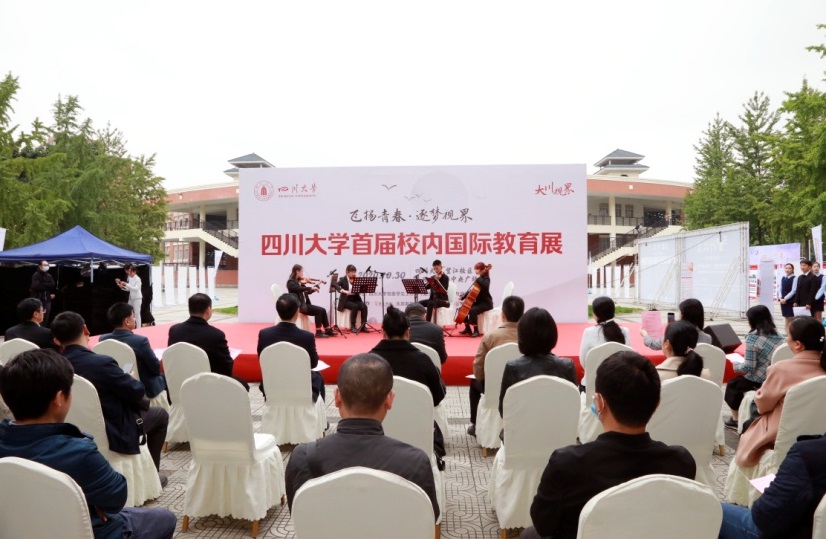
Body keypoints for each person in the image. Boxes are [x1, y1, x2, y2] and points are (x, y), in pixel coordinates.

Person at [0, 349, 176, 539]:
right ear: (59, 399)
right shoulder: (77, 452)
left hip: (18, 529)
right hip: (88, 531)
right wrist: (92, 503)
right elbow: (116, 497)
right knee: (164, 518)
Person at [521, 351, 696, 539]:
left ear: (599, 403)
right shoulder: (681, 462)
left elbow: (543, 524)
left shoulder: (567, 463)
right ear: (656, 404)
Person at [285, 354, 439, 520]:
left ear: (337, 398)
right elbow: (428, 518)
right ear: (389, 400)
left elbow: (298, 515)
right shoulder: (415, 462)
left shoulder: (303, 458)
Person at [51, 312, 169, 477]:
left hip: (67, 429)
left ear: (56, 340)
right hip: (112, 430)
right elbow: (136, 392)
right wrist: (129, 378)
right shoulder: (101, 363)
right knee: (161, 415)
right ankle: (153, 475)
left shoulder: (53, 367)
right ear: (85, 329)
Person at [729, 316, 826, 469]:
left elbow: (763, 406)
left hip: (782, 435)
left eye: (788, 336)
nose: (786, 340)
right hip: (820, 433)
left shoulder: (782, 369)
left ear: (798, 345)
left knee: (752, 417)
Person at [369, 306, 446, 462]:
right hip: (419, 431)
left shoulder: (368, 362)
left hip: (376, 433)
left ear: (383, 332)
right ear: (408, 332)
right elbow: (437, 398)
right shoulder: (423, 361)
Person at [718, 433, 826, 539]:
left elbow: (764, 518)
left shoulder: (807, 453)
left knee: (711, 509)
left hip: (788, 532)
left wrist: (770, 493)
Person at [499, 307, 577, 416]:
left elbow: (504, 410)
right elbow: (574, 406)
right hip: (559, 425)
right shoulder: (566, 366)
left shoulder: (513, 367)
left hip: (523, 426)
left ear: (522, 336)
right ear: (553, 334)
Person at [167, 293, 250, 391]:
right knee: (243, 385)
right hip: (209, 386)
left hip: (180, 383)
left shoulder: (175, 330)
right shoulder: (216, 335)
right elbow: (226, 368)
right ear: (208, 310)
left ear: (189, 309)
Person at [467, 295, 523, 436]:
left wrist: (481, 378)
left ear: (502, 315)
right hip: (523, 385)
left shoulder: (490, 336)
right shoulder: (529, 337)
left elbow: (478, 367)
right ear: (522, 314)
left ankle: (475, 424)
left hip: (493, 388)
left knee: (474, 383)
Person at [257, 293, 325, 403]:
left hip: (273, 385)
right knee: (318, 376)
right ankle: (317, 410)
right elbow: (313, 364)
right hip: (300, 386)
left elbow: (262, 359)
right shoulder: (306, 336)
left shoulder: (264, 334)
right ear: (297, 312)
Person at [723, 304, 784, 428]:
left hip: (758, 380)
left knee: (733, 385)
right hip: (775, 378)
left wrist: (735, 364)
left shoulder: (753, 339)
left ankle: (735, 419)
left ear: (752, 320)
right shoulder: (780, 337)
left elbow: (749, 367)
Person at [99, 303, 168, 403]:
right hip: (144, 388)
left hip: (115, 386)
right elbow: (155, 368)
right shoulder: (140, 341)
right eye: (133, 316)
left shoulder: (103, 339)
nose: (135, 319)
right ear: (127, 321)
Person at [579, 296, 631, 389]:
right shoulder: (624, 331)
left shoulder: (589, 332)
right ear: (613, 312)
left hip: (592, 384)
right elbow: (628, 358)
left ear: (596, 314)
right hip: (619, 384)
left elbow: (584, 361)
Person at [640, 298, 712, 350]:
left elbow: (653, 344)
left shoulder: (676, 334)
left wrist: (645, 335)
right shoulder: (708, 338)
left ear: (683, 314)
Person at [287, 264, 335, 338]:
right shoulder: (291, 282)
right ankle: (318, 332)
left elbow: (307, 292)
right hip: (299, 305)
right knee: (319, 310)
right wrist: (310, 288)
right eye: (302, 271)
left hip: (305, 304)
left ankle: (327, 329)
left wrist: (314, 288)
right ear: (297, 271)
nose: (303, 273)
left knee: (323, 310)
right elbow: (299, 289)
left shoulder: (299, 282)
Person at [457, 262, 493, 337]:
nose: (475, 271)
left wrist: (478, 278)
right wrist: (463, 296)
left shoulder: (486, 279)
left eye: (477, 269)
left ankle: (476, 330)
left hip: (486, 303)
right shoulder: (479, 279)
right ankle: (467, 329)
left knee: (473, 310)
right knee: (462, 309)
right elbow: (472, 290)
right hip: (478, 302)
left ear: (482, 270)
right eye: (475, 269)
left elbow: (485, 287)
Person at [336, 264, 368, 333]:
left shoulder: (356, 279)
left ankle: (363, 325)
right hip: (346, 300)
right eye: (352, 272)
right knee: (354, 306)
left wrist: (360, 280)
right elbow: (336, 285)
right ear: (347, 272)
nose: (353, 273)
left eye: (354, 272)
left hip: (355, 299)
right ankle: (353, 326)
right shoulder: (342, 279)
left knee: (364, 306)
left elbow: (363, 287)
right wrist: (343, 290)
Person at [115, 264, 143, 329]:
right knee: (128, 312)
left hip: (137, 298)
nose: (129, 273)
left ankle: (139, 328)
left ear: (134, 271)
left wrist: (126, 284)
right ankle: (129, 326)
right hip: (131, 297)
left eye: (131, 272)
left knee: (137, 313)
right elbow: (128, 289)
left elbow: (136, 289)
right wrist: (121, 286)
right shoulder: (130, 278)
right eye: (129, 272)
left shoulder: (138, 279)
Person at [30, 260, 56, 327]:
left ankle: (43, 329)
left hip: (47, 300)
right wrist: (47, 285)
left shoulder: (49, 275)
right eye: (45, 265)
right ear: (40, 266)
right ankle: (37, 329)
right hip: (38, 299)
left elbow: (52, 285)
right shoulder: (36, 275)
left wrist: (43, 284)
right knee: (38, 316)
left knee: (46, 317)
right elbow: (36, 286)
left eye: (47, 265)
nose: (46, 266)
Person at [778, 262, 798, 334]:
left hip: (790, 301)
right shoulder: (783, 278)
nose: (787, 270)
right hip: (783, 301)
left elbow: (793, 290)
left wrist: (785, 298)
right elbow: (780, 289)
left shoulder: (795, 278)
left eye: (789, 268)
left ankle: (791, 334)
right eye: (786, 268)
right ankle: (787, 334)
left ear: (792, 270)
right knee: (786, 318)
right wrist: (780, 297)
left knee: (791, 318)